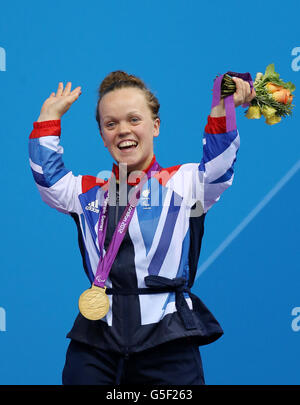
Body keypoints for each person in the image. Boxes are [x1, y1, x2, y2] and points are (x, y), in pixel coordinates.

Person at [28, 71, 255, 385]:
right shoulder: (88, 192)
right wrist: (48, 118)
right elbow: (48, 180)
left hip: (168, 338)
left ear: (155, 126)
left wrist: (222, 108)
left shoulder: (185, 183)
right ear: (102, 135)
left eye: (134, 119)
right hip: (97, 341)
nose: (123, 130)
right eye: (111, 124)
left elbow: (218, 167)